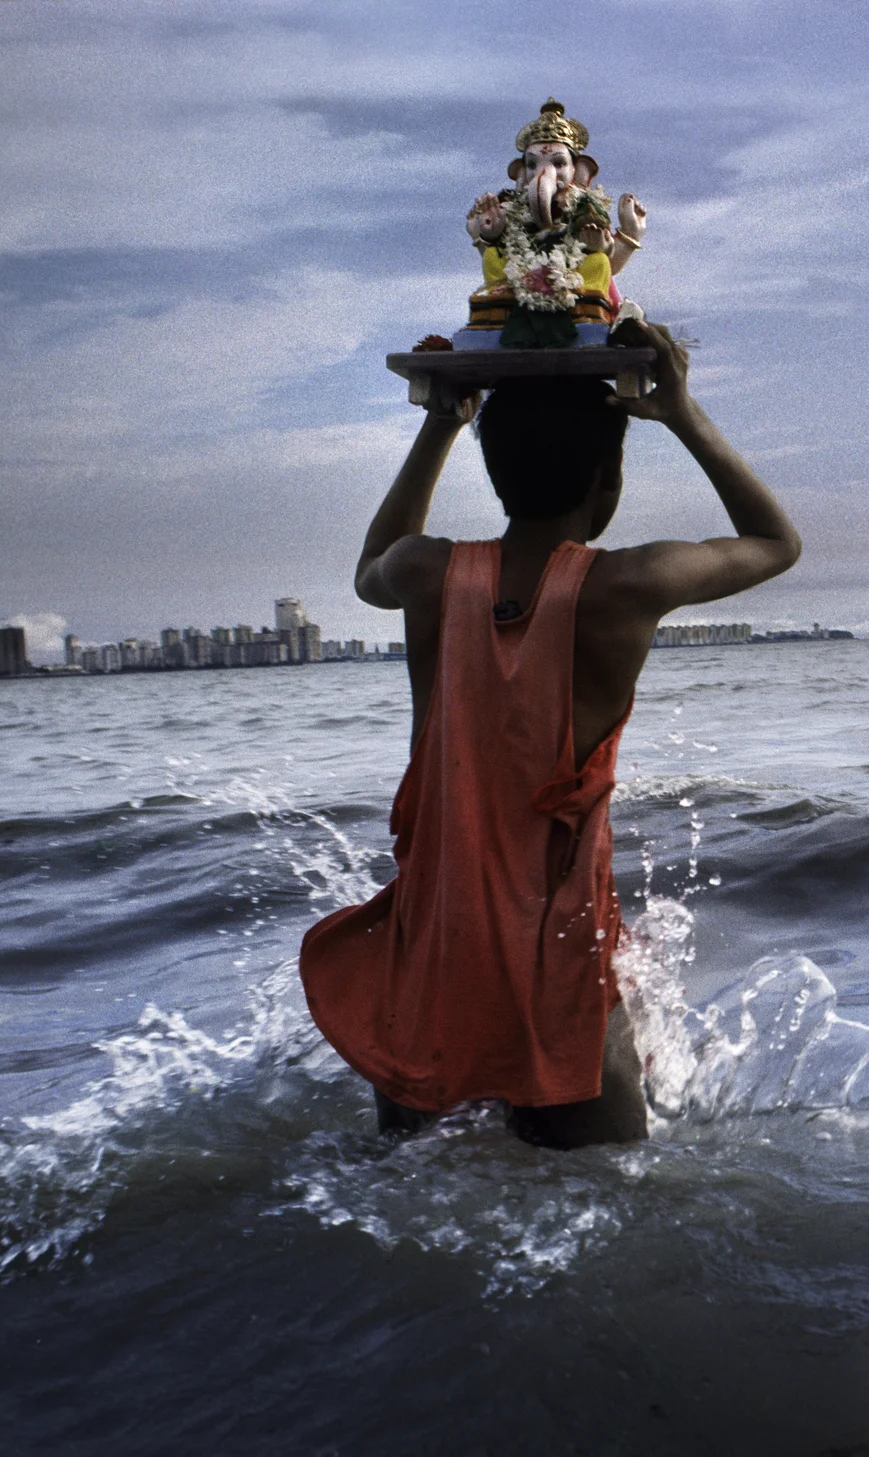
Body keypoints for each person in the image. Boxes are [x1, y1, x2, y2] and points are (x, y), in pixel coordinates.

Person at [299, 319, 800, 1148]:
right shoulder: (627, 584)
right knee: (600, 1207)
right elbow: (778, 543)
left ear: (494, 475)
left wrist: (439, 422)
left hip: (435, 955)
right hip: (555, 960)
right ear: (607, 481)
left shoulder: (426, 571)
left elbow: (369, 567)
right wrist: (681, 411)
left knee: (411, 1184)